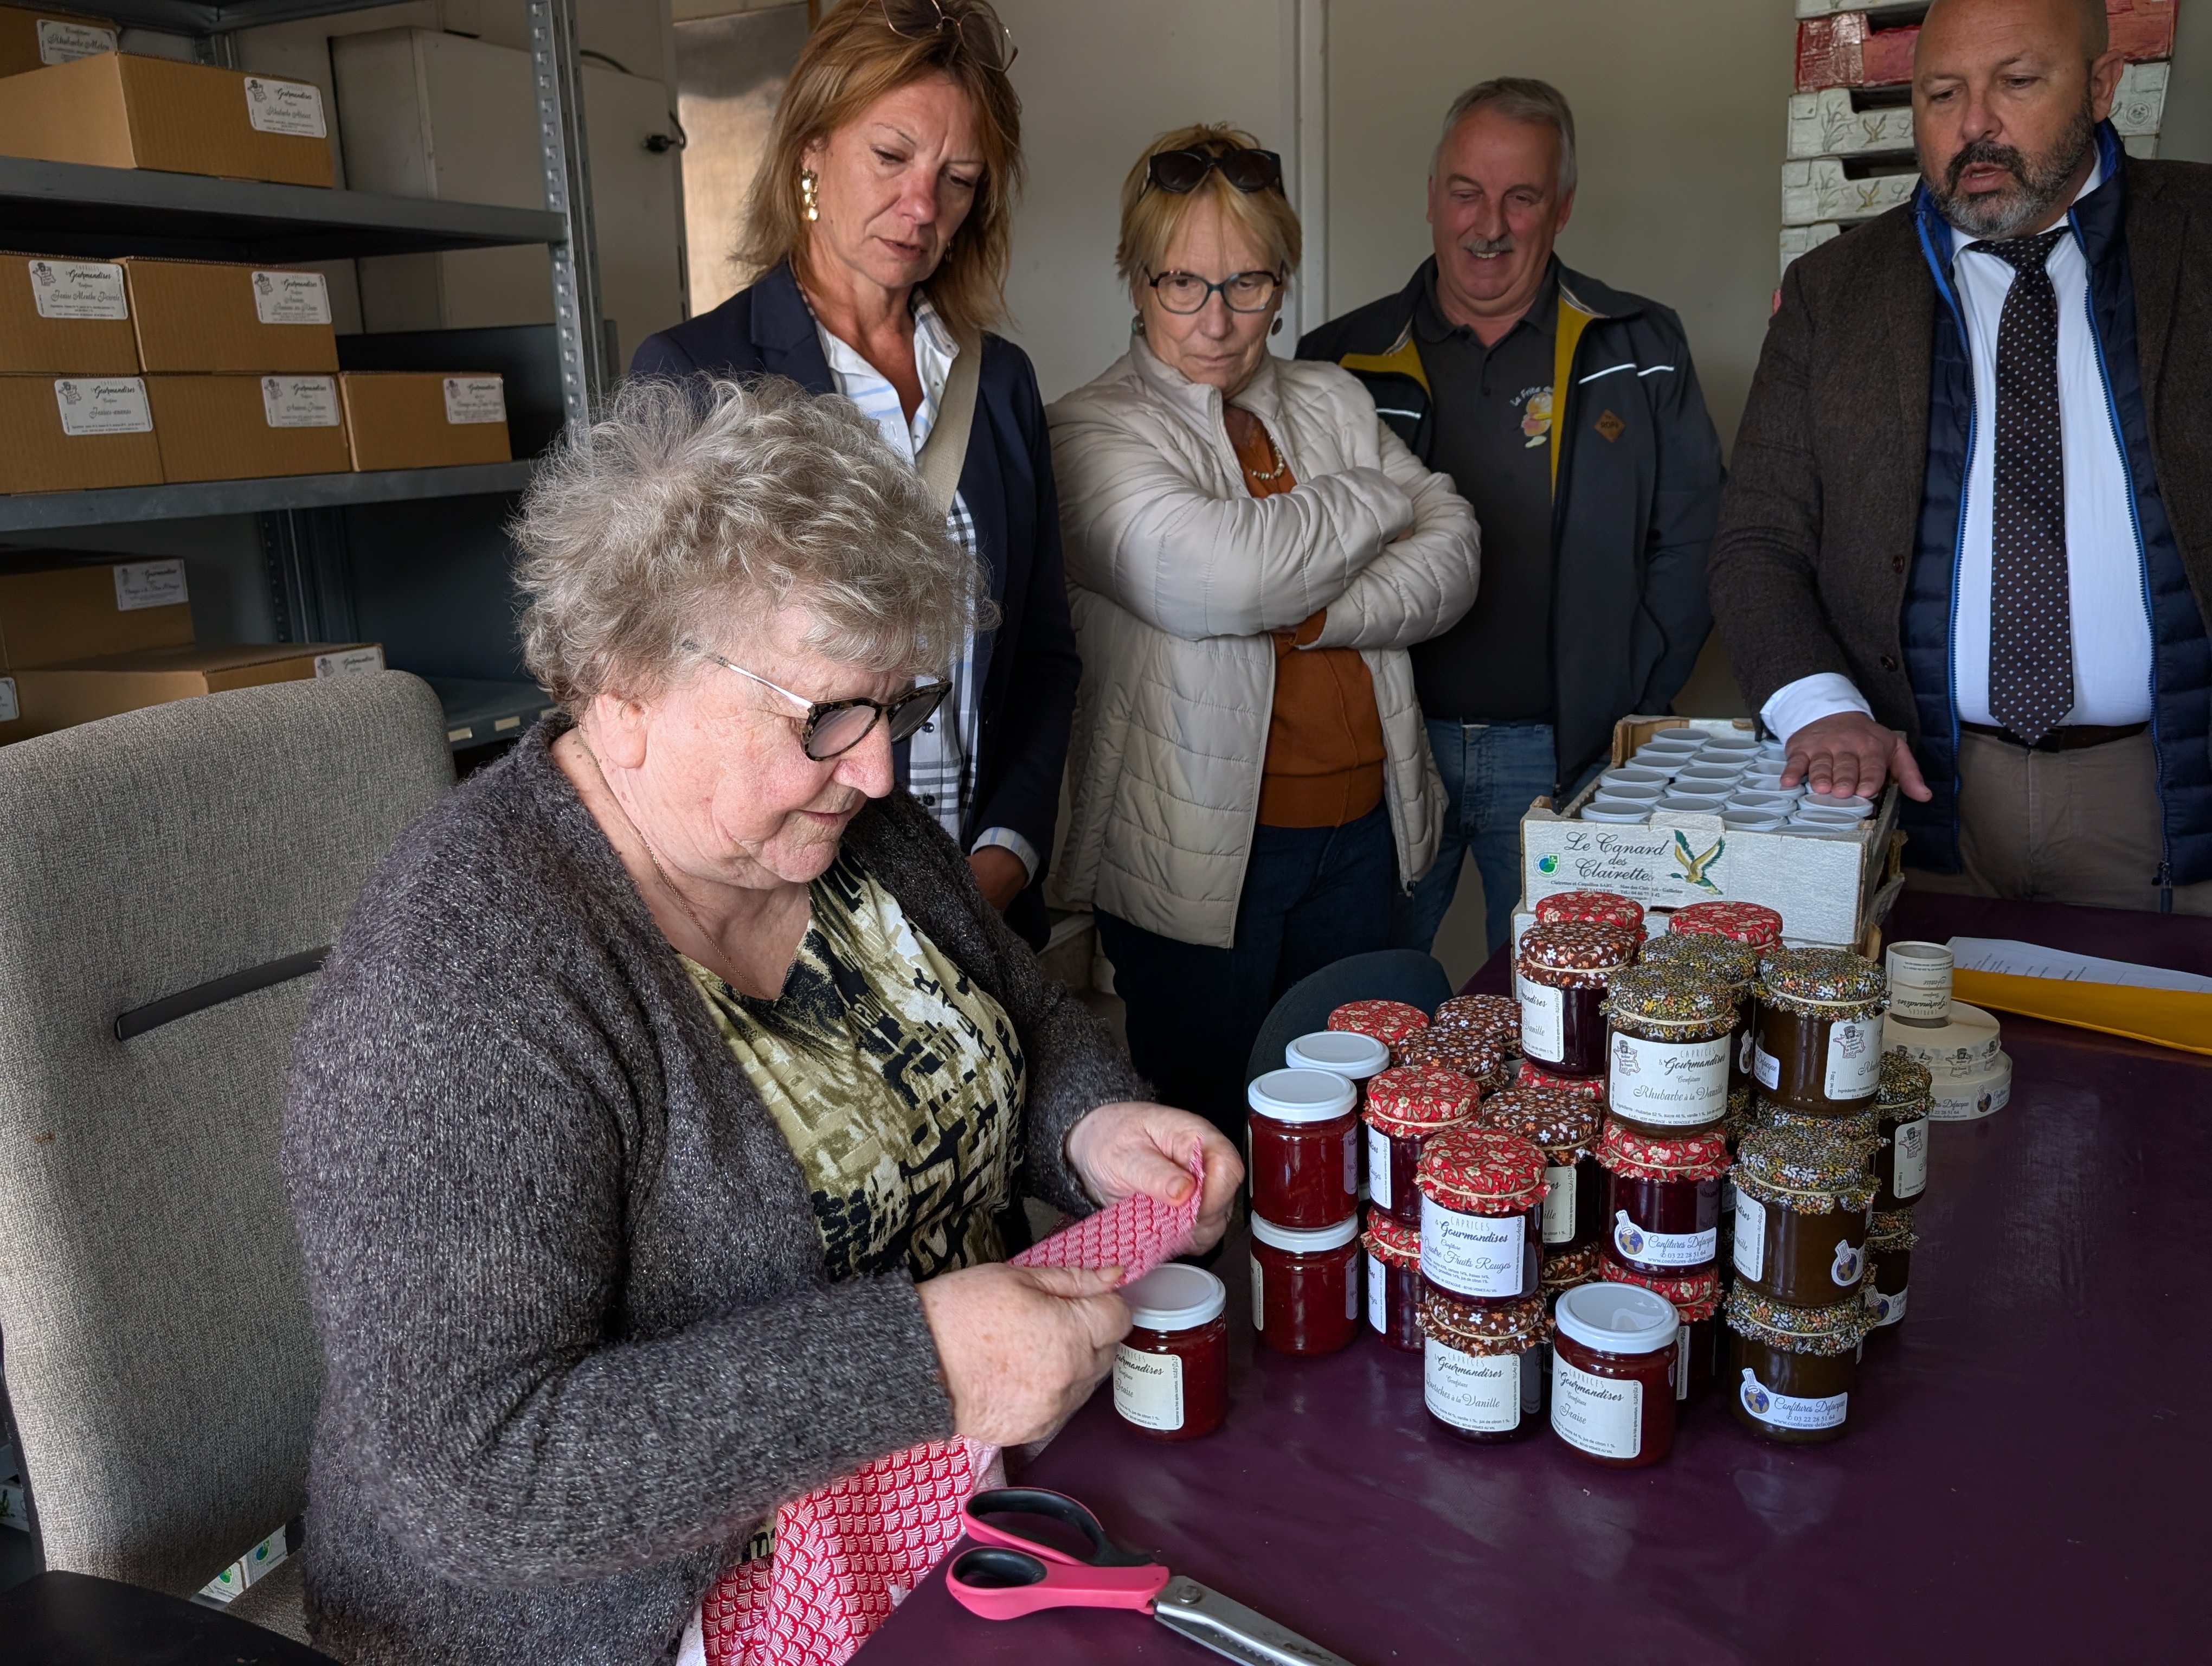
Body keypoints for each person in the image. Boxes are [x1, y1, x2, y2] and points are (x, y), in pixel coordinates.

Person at [281, 377, 1242, 1665]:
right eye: (826, 716)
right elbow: (480, 1474)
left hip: (953, 1506)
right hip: (627, 1620)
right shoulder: (465, 979)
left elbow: (1013, 1010)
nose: (880, 770)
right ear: (625, 692)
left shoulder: (847, 830)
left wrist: (1090, 1126)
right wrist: (916, 1365)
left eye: (898, 705)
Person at [1710, 0, 2212, 911]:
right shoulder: (1832, 292)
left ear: (2101, 85)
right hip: (1910, 793)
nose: (1975, 124)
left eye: (2016, 82)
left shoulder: (2200, 236)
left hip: (2168, 794)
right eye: (1942, 94)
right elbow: (1758, 542)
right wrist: (1823, 708)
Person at [1049, 124, 1480, 1139]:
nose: (1216, 319)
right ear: (1136, 279)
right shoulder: (1087, 428)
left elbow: (1456, 552)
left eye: (1247, 282)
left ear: (1283, 283)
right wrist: (1381, 498)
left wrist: (1321, 610)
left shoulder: (1330, 397)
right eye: (1181, 283)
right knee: (1211, 1142)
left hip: (1365, 837)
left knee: (1354, 1131)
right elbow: (1223, 577)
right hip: (1200, 865)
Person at [631, 0, 1075, 948]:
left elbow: (1043, 654)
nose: (922, 208)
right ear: (812, 149)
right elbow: (668, 693)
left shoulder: (1000, 382)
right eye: (890, 157)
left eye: (958, 179)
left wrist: (1005, 859)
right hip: (790, 921)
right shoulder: (697, 375)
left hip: (982, 910)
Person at [1301, 78, 1725, 960]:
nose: (1489, 225)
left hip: (1568, 755)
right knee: (1365, 996)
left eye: (1521, 197)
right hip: (1387, 749)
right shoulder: (1337, 363)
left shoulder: (1641, 346)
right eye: (1467, 192)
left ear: (1561, 208)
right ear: (1432, 197)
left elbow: (1694, 540)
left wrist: (1631, 698)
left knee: (1560, 1006)